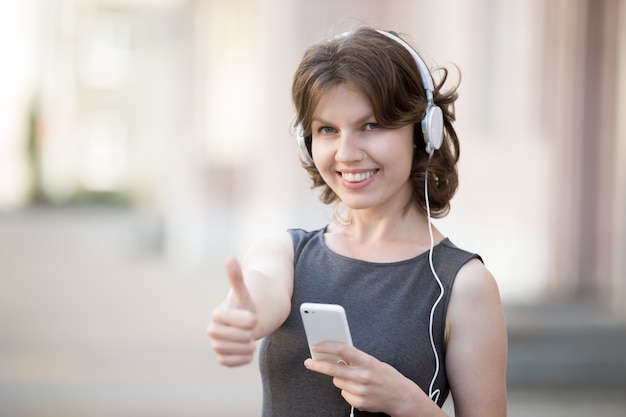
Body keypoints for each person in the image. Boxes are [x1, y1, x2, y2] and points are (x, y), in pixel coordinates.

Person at [207, 26, 507, 417]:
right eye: (327, 130)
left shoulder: (465, 285)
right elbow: (263, 288)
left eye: (371, 125)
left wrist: (410, 405)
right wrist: (242, 315)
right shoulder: (286, 253)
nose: (346, 153)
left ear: (422, 132)